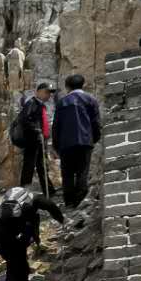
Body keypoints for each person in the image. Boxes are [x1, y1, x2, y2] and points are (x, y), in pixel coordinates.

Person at [50, 73, 102, 209]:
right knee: (82, 172)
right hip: (85, 141)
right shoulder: (90, 100)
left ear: (67, 87)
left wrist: (56, 145)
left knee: (67, 173)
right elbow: (96, 122)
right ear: (83, 85)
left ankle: (69, 202)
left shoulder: (62, 102)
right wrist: (94, 138)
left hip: (65, 143)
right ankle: (80, 202)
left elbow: (56, 126)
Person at [18, 83, 55, 197]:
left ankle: (49, 191)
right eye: (46, 92)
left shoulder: (39, 104)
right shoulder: (32, 103)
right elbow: (24, 120)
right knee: (29, 165)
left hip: (39, 140)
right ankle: (24, 191)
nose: (48, 95)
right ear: (38, 92)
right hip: (32, 140)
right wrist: (37, 130)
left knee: (42, 166)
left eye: (50, 93)